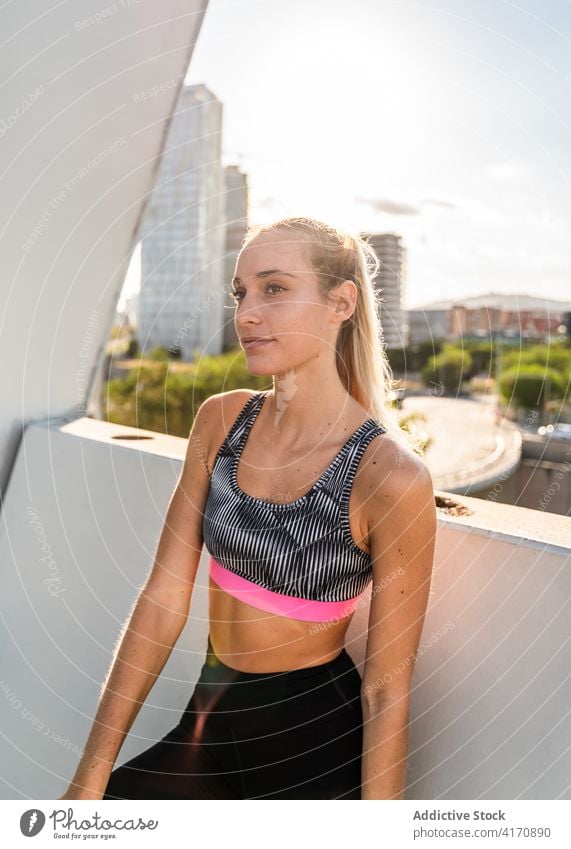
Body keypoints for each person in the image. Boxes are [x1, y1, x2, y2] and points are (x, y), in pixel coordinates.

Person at [60, 216, 436, 800]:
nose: (247, 313)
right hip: (209, 719)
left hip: (311, 744)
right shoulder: (221, 420)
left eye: (275, 288)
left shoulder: (388, 476)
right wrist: (89, 779)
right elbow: (161, 603)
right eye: (241, 293)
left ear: (341, 303)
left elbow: (387, 689)